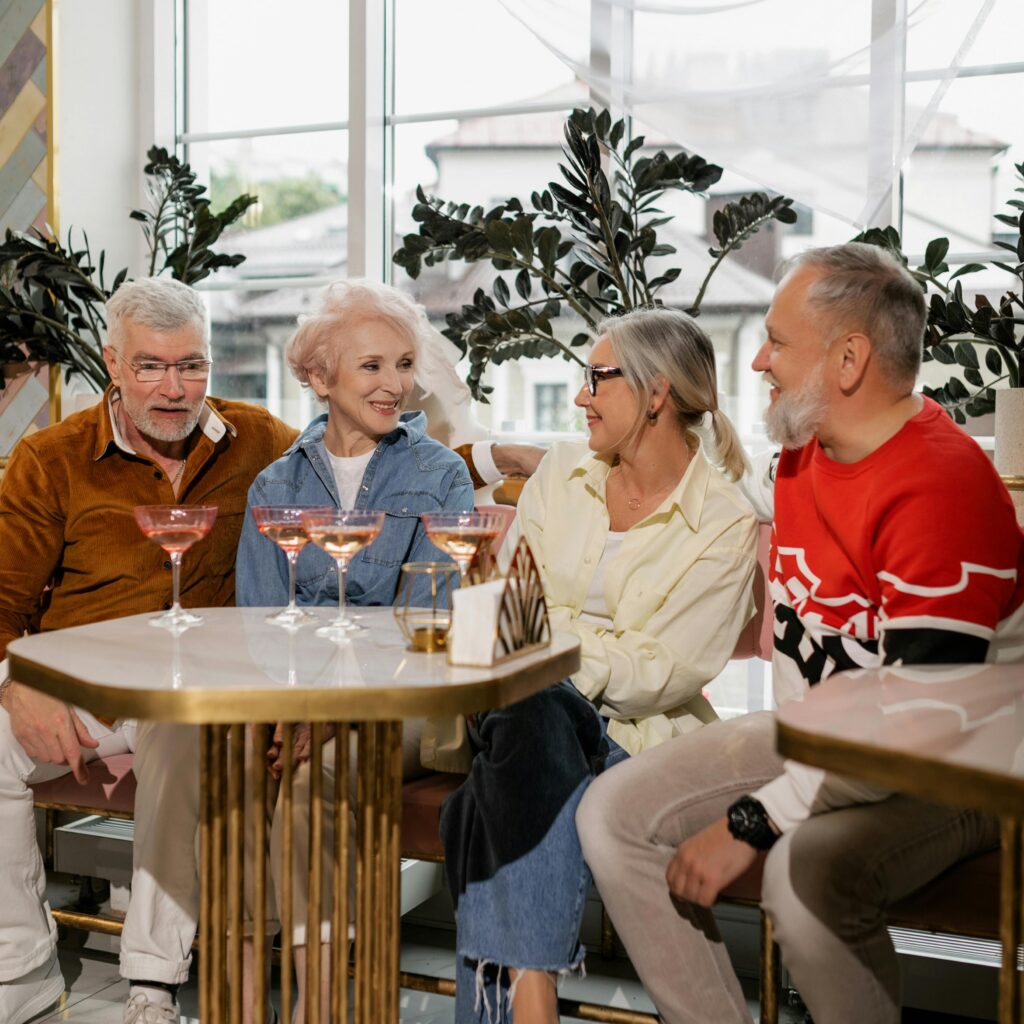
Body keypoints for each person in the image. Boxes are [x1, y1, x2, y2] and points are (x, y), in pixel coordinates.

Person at [577, 243, 1024, 1024]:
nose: (757, 361)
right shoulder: (802, 455)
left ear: (849, 359)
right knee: (613, 815)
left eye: (778, 341)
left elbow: (918, 727)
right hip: (829, 741)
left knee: (802, 876)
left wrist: (754, 820)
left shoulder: (941, 488)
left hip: (959, 763)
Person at [440, 306, 760, 1023]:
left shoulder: (727, 521)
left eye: (597, 378)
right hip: (523, 710)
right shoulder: (565, 474)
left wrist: (552, 650)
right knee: (534, 711)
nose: (581, 395)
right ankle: (535, 992)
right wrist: (557, 649)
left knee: (487, 790)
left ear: (656, 394)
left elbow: (666, 671)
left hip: (633, 742)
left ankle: (527, 990)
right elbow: (517, 611)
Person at [0, 276, 297, 1024]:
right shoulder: (51, 458)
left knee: (182, 723)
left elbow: (367, 454)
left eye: (191, 365)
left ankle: (152, 982)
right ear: (111, 365)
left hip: (195, 692)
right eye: (151, 367)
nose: (174, 389)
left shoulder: (261, 442)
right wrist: (17, 681)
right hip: (82, 689)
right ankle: (21, 972)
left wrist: (490, 454)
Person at [234, 278, 474, 1022]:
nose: (395, 384)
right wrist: (291, 709)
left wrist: (334, 714)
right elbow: (260, 620)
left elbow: (428, 625)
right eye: (372, 366)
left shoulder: (440, 475)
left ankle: (319, 1004)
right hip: (295, 697)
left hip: (401, 705)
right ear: (319, 376)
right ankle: (237, 998)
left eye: (404, 365)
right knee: (226, 767)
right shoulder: (275, 481)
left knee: (317, 780)